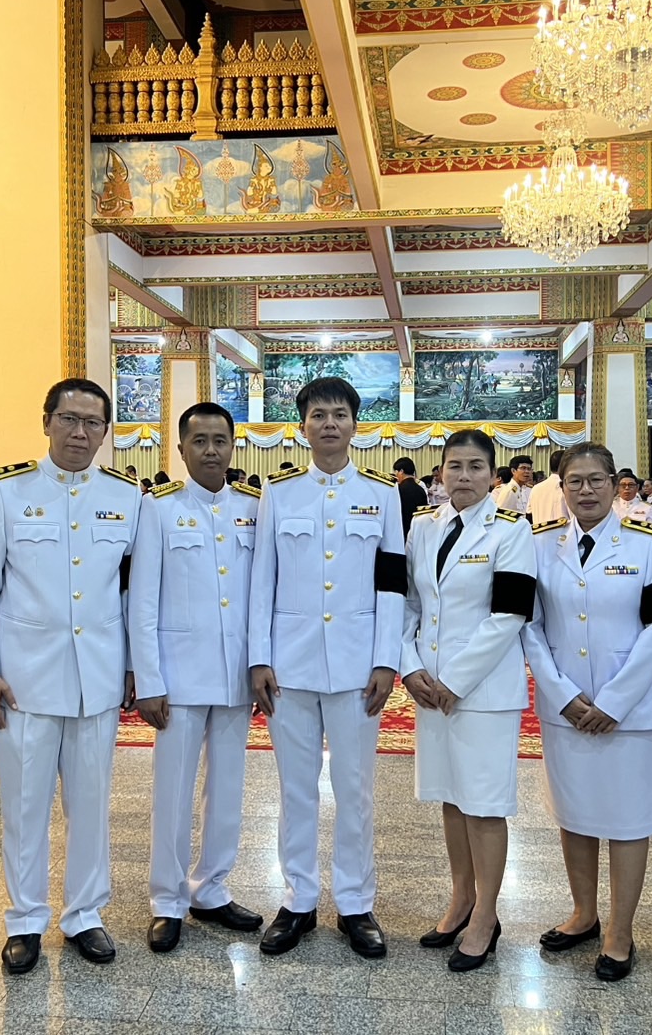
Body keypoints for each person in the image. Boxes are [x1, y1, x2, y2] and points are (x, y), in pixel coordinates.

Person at [0, 378, 142, 974]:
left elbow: (135, 593)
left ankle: (85, 914)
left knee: (90, 806)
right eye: (69, 419)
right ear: (46, 422)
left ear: (105, 432)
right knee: (24, 808)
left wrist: (133, 666)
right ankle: (24, 920)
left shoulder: (126, 496)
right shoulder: (7, 490)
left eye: (93, 423)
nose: (80, 433)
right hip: (24, 681)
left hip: (96, 678)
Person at [248, 377, 406, 960]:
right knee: (295, 788)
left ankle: (356, 903)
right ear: (303, 427)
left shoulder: (382, 495)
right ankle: (298, 900)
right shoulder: (279, 493)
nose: (330, 424)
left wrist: (386, 659)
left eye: (340, 414)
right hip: (289, 666)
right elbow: (261, 580)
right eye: (319, 415)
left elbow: (393, 584)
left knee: (355, 788)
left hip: (357, 665)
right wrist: (259, 657)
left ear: (356, 425)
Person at [525, 443, 652, 983]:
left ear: (616, 484)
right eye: (575, 481)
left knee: (627, 820)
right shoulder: (540, 544)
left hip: (628, 711)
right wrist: (562, 695)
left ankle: (620, 929)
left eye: (597, 480)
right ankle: (583, 913)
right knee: (574, 813)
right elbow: (530, 626)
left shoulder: (648, 543)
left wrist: (615, 700)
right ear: (561, 488)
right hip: (565, 708)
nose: (586, 490)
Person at [131, 403, 265, 953]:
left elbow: (260, 595)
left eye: (220, 440)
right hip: (178, 677)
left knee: (227, 788)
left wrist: (259, 664)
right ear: (182, 448)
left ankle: (211, 888)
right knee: (173, 791)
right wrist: (149, 678)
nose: (211, 450)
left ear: (233, 446)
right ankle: (168, 899)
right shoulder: (158, 508)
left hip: (235, 674)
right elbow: (142, 600)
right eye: (199, 441)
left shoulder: (254, 508)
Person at [400, 430, 535, 973]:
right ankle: (461, 898)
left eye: (476, 466)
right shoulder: (422, 527)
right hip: (431, 689)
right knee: (451, 798)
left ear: (492, 474)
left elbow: (510, 613)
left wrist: (454, 679)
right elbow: (409, 603)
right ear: (440, 473)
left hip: (481, 691)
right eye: (454, 466)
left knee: (483, 804)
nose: (464, 476)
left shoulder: (512, 530)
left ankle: (486, 915)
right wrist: (411, 666)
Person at [393, 456, 429, 536]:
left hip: (402, 531)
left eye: (396, 472)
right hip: (418, 530)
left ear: (401, 471)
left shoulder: (398, 489)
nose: (396, 475)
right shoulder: (421, 490)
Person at [527, 450, 566, 523]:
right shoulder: (567, 487)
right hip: (564, 529)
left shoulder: (535, 488)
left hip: (539, 529)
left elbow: (529, 514)